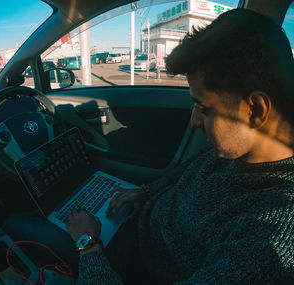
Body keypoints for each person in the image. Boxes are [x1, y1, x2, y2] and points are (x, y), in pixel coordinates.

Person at [65, 8, 294, 284]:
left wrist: (88, 244)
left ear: (255, 110)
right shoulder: (241, 151)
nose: (195, 121)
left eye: (203, 108)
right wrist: (147, 192)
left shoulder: (268, 240)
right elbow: (194, 167)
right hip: (134, 226)